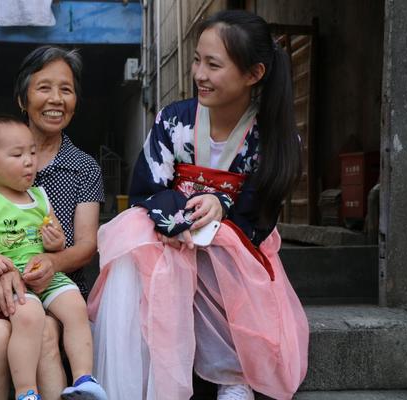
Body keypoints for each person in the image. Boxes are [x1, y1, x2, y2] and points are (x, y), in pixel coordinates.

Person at [87, 10, 309, 400]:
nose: (199, 74)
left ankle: (233, 375)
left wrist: (220, 206)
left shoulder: (276, 139)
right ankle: (137, 376)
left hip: (236, 247)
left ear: (253, 74)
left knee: (222, 248)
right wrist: (180, 221)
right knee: (132, 235)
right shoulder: (175, 121)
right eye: (197, 60)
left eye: (213, 64)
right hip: (170, 236)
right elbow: (146, 189)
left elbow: (258, 219)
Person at [0, 46, 104, 400]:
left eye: (66, 89)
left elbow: (85, 244)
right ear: (23, 98)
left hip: (51, 284)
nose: (56, 99)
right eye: (44, 87)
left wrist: (52, 260)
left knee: (46, 331)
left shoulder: (84, 168)